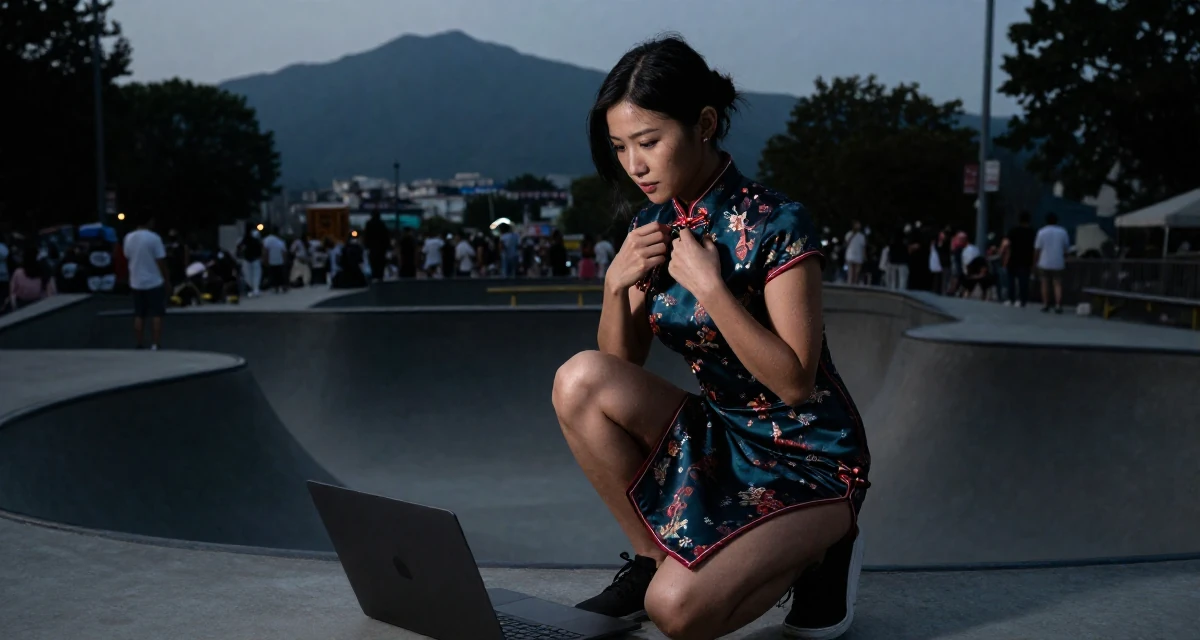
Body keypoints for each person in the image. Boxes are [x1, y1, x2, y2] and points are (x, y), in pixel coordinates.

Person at [552, 36, 870, 640]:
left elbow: (795, 381)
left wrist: (711, 288)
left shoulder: (777, 221)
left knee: (677, 613)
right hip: (725, 437)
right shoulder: (652, 223)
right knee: (579, 380)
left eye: (649, 142)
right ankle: (649, 561)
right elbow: (618, 366)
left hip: (809, 459)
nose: (635, 165)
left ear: (703, 124)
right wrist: (614, 287)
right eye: (621, 148)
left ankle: (828, 545)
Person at [122, 213, 170, 350]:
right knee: (157, 314)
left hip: (136, 281)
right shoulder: (154, 238)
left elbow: (127, 256)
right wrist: (167, 279)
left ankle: (139, 343)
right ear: (150, 221)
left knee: (139, 314)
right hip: (154, 281)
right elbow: (160, 261)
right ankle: (155, 343)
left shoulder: (128, 238)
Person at [1035, 212, 1071, 313]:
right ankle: (1058, 305)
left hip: (1044, 261)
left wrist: (1035, 261)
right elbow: (1066, 248)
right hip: (1058, 262)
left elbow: (1038, 249)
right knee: (1057, 284)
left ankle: (1046, 304)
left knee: (1044, 283)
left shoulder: (1041, 232)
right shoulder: (1062, 232)